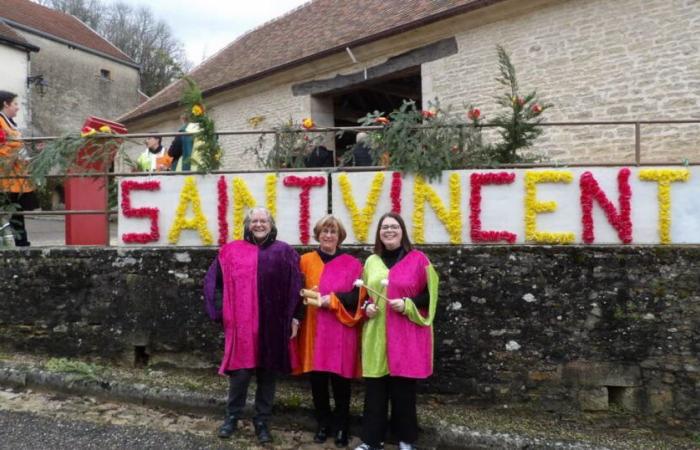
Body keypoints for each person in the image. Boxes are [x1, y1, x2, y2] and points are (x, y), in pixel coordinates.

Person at [203, 207, 303, 444]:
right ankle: (231, 417)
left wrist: (295, 316)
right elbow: (214, 283)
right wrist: (221, 312)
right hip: (243, 326)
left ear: (271, 224)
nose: (259, 224)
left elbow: (297, 286)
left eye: (263, 221)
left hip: (273, 324)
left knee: (268, 375)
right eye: (254, 221)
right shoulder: (231, 251)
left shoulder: (284, 252)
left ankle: (262, 422)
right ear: (248, 225)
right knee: (241, 374)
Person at [354, 212, 439, 450]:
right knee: (375, 392)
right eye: (384, 227)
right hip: (376, 336)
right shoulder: (371, 261)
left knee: (403, 392)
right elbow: (363, 295)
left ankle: (405, 440)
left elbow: (430, 295)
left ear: (402, 231)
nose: (389, 231)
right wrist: (367, 307)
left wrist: (408, 304)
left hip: (405, 334)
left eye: (394, 227)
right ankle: (371, 441)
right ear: (379, 233)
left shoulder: (419, 259)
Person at [295, 215, 365, 447]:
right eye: (324, 231)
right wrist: (295, 318)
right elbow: (295, 293)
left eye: (333, 232)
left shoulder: (353, 264)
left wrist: (333, 299)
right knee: (318, 381)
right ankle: (324, 423)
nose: (328, 235)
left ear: (340, 236)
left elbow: (357, 296)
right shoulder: (304, 261)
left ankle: (342, 426)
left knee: (340, 381)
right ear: (318, 234)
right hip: (313, 329)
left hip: (340, 329)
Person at [0, 91, 37, 247]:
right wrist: (15, 148)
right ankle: (22, 244)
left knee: (17, 211)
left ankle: (22, 243)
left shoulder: (7, 122)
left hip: (14, 176)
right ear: (6, 104)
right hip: (6, 176)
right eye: (15, 104)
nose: (17, 108)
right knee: (15, 211)